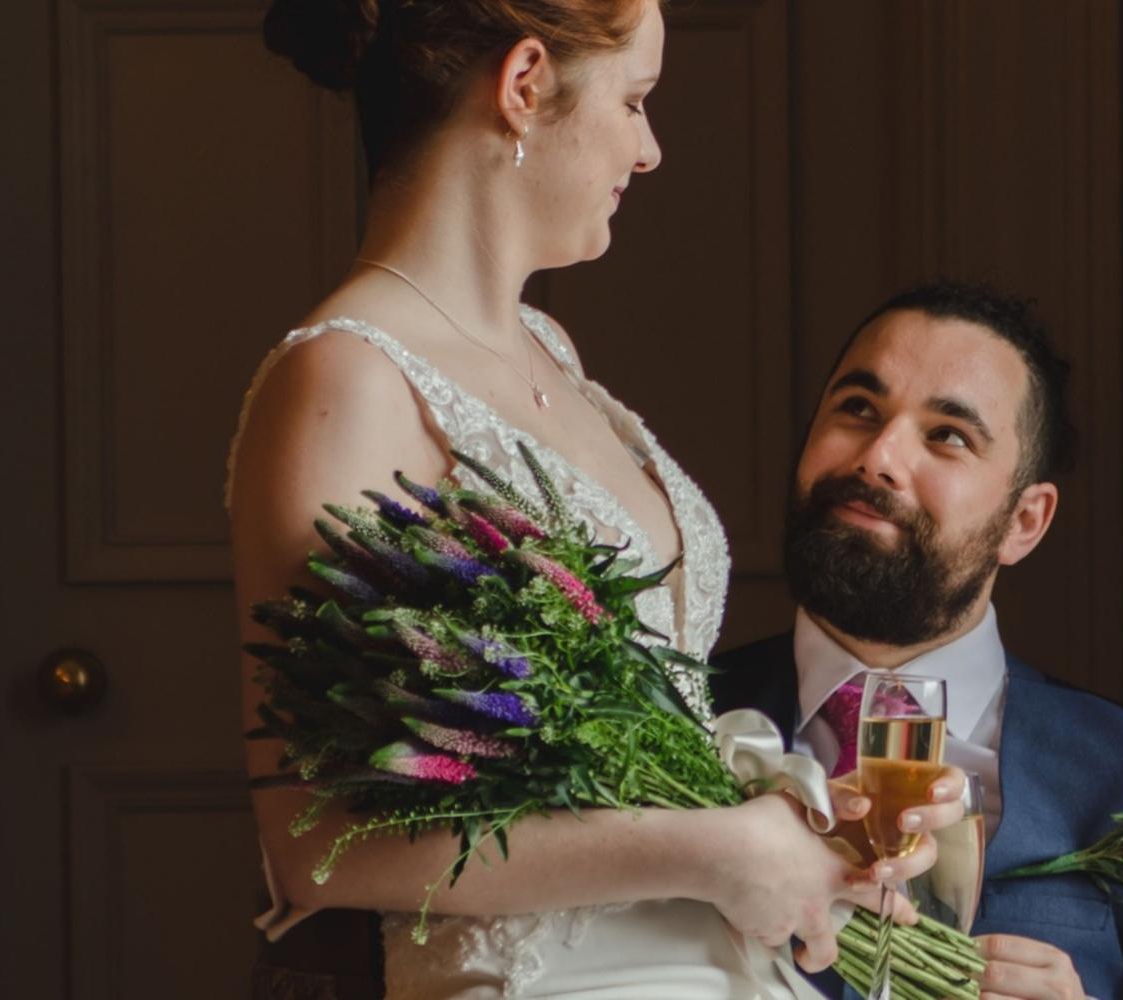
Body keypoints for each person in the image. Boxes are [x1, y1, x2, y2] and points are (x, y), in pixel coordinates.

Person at [226, 2, 963, 997]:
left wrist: (796, 829)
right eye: (635, 100)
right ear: (526, 83)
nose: (649, 149)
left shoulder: (550, 353)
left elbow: (620, 740)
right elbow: (318, 841)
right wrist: (714, 852)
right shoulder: (346, 382)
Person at [713, 282, 1123, 1000]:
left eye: (947, 435)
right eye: (858, 409)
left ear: (1025, 521)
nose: (879, 458)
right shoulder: (658, 726)